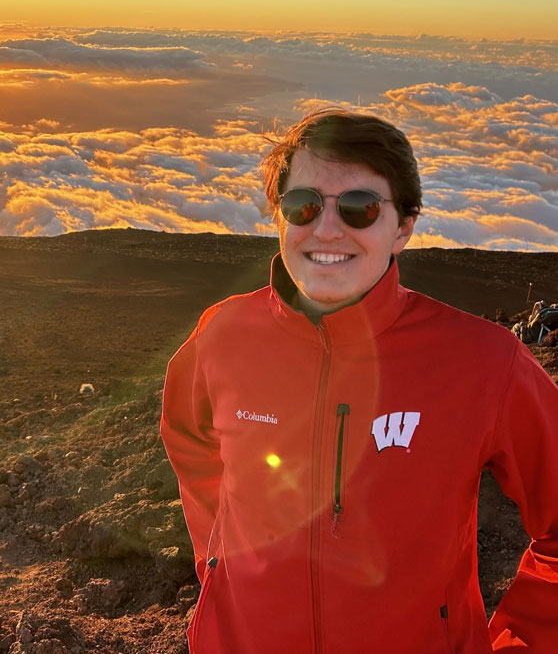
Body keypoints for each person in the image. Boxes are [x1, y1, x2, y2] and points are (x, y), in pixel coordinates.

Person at [160, 109, 558, 654]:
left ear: (403, 228)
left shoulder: (485, 361)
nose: (326, 229)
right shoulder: (223, 334)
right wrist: (221, 564)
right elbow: (191, 441)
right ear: (279, 217)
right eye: (302, 205)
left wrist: (524, 642)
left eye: (359, 208)